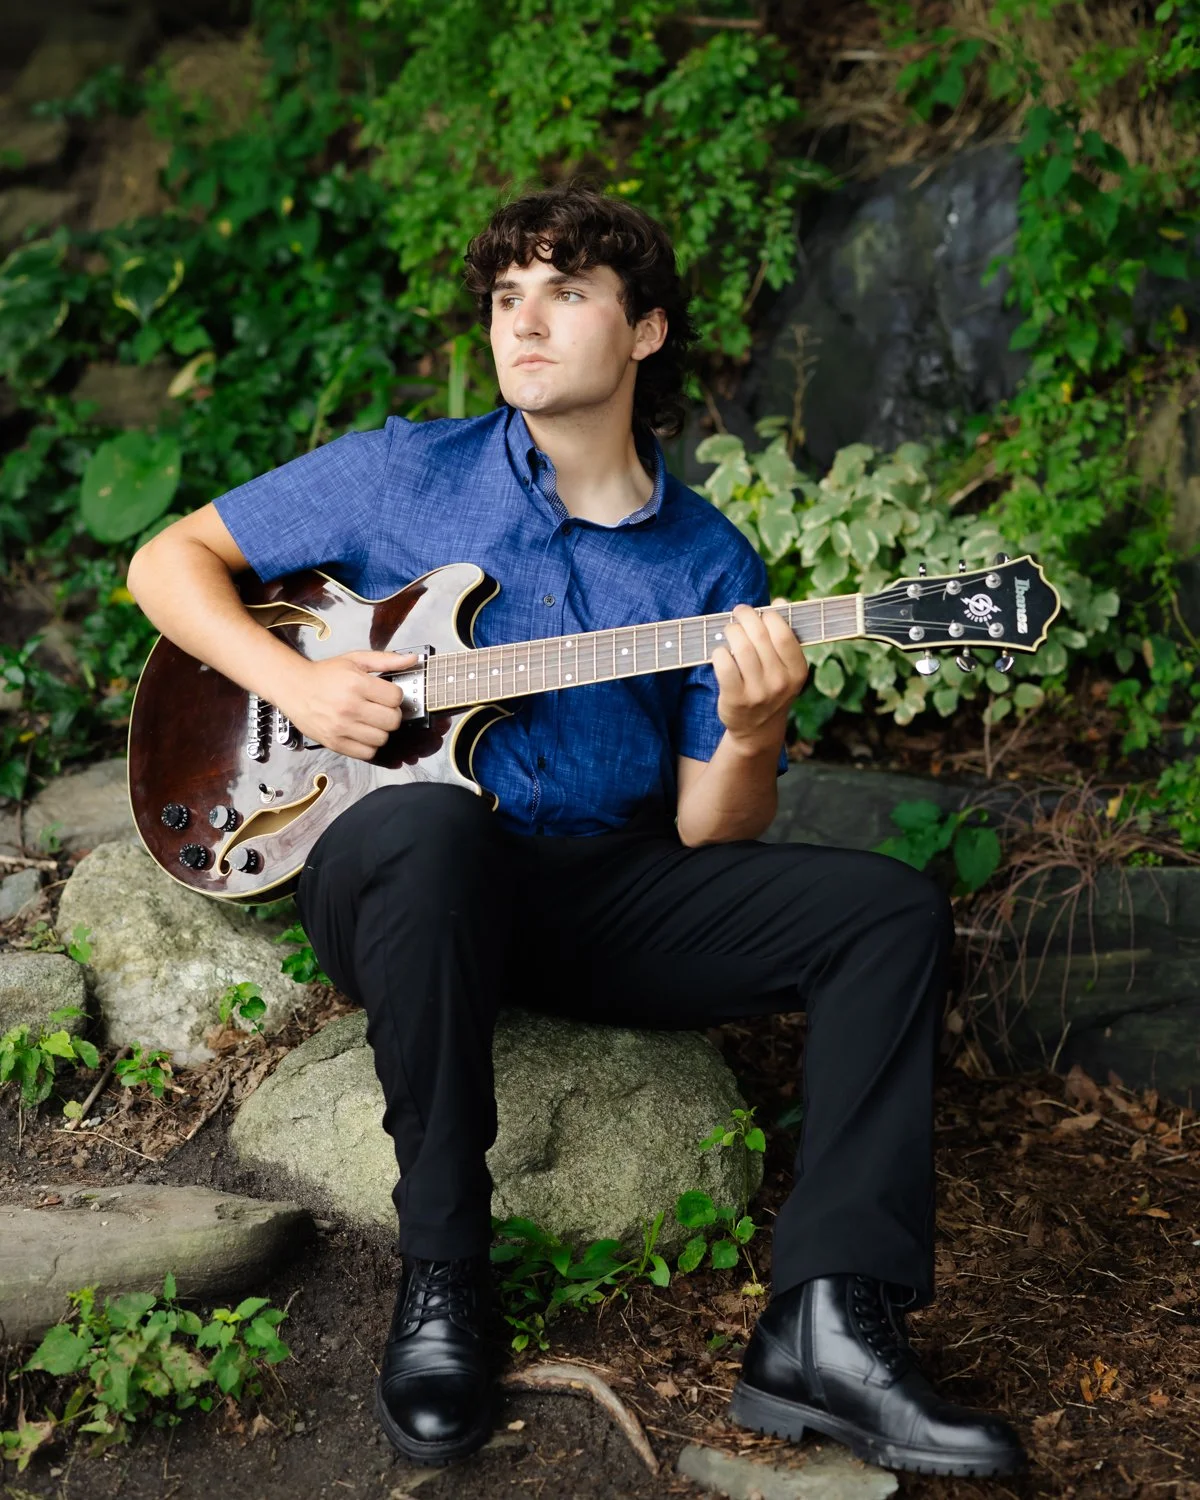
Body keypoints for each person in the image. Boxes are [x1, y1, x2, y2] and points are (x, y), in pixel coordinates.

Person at [125, 181, 1025, 1479]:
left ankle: (831, 1321)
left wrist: (758, 727)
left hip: (600, 894)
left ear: (646, 332)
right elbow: (166, 563)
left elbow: (712, 830)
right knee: (433, 835)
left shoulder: (709, 566)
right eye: (507, 297)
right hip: (397, 875)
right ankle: (444, 1283)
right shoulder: (404, 471)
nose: (525, 321)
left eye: (568, 292)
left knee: (887, 913)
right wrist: (298, 684)